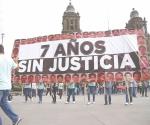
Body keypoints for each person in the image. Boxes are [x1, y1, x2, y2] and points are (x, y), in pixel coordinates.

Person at [0, 44, 22, 125]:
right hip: (7, 87)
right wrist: (16, 60)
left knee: (4, 103)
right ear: (3, 50)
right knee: (4, 103)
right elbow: (17, 68)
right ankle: (15, 118)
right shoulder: (9, 59)